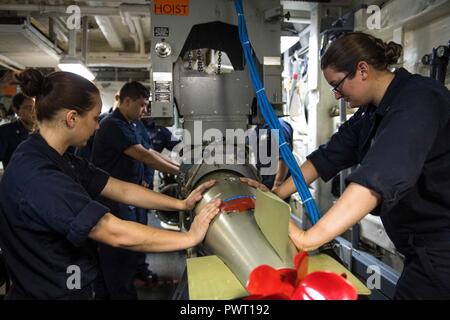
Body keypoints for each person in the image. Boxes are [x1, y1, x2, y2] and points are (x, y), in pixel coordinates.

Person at [241, 32, 450, 299]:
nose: (337, 95)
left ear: (362, 69)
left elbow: (378, 177)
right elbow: (327, 157)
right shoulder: (371, 113)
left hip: (441, 247)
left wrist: (309, 238)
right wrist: (274, 194)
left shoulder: (418, 101)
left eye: (338, 85)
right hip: (419, 247)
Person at [0, 69, 221, 300]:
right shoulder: (39, 176)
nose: (97, 126)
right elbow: (114, 232)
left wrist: (182, 204)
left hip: (73, 282)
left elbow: (121, 189)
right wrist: (190, 238)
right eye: (95, 118)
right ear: (72, 118)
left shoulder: (58, 157)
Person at [91, 81, 181, 299]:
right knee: (118, 257)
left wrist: (181, 169)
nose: (144, 110)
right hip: (113, 198)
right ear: (126, 101)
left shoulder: (134, 123)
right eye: (141, 105)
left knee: (131, 254)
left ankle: (123, 289)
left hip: (130, 197)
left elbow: (151, 151)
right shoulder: (113, 124)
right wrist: (181, 173)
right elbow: (143, 155)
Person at [247, 118, 293, 190]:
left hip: (276, 183)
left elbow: (284, 158)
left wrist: (277, 185)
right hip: (264, 180)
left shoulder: (279, 126)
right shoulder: (259, 127)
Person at [0, 92, 34, 168]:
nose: (33, 111)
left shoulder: (44, 131)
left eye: (35, 107)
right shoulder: (6, 132)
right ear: (16, 110)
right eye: (28, 107)